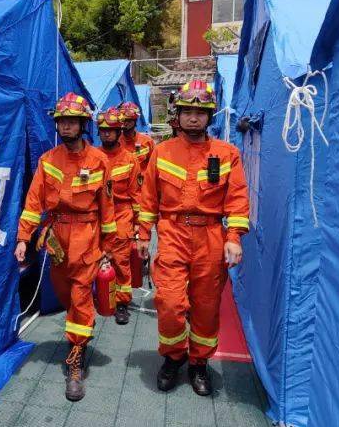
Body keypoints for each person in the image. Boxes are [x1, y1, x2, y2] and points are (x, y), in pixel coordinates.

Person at [136, 80, 250, 396]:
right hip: (172, 233)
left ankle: (199, 363)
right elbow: (148, 199)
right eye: (187, 111)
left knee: (206, 306)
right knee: (170, 302)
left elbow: (238, 198)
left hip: (212, 236)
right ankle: (174, 357)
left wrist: (235, 237)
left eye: (200, 112)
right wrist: (143, 234)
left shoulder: (228, 154)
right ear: (178, 114)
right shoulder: (161, 152)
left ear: (209, 115)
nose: (193, 118)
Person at [15, 93, 117, 402]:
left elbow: (107, 208)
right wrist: (23, 238)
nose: (66, 126)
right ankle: (79, 333)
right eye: (62, 121)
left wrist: (108, 246)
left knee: (79, 296)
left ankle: (76, 358)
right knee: (64, 294)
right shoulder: (48, 161)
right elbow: (33, 204)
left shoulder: (100, 161)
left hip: (87, 236)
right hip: (56, 238)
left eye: (72, 121)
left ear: (84, 124)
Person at [95, 107, 142, 326]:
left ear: (118, 131)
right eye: (103, 130)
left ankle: (121, 303)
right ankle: (98, 295)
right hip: (96, 215)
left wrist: (138, 225)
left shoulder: (130, 160)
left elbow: (136, 195)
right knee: (93, 257)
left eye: (111, 130)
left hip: (121, 214)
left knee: (121, 261)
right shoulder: (92, 157)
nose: (106, 134)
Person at [119, 101, 155, 171]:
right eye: (124, 120)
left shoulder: (147, 141)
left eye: (129, 120)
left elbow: (154, 165)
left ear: (135, 121)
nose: (126, 123)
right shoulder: (116, 143)